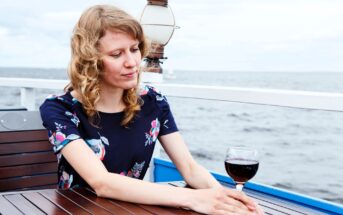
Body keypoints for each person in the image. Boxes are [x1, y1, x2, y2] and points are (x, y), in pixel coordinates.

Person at [40, 4, 263, 215]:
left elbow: (189, 168)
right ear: (91, 61)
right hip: (79, 209)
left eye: (134, 49)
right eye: (116, 54)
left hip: (135, 208)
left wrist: (227, 201)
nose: (132, 62)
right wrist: (193, 199)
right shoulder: (59, 109)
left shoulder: (153, 101)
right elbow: (102, 183)